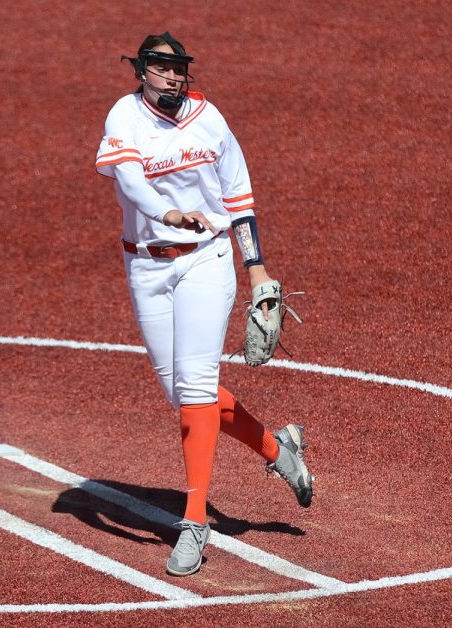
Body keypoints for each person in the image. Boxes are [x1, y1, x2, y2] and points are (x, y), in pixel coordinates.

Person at [94, 31, 314, 577]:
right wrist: (165, 215)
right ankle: (277, 448)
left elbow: (239, 200)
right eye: (161, 68)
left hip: (206, 260)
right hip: (146, 264)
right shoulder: (124, 117)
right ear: (141, 70)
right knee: (182, 392)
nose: (172, 76)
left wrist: (257, 270)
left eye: (178, 68)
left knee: (194, 385)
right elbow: (131, 181)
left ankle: (194, 523)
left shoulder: (210, 120)